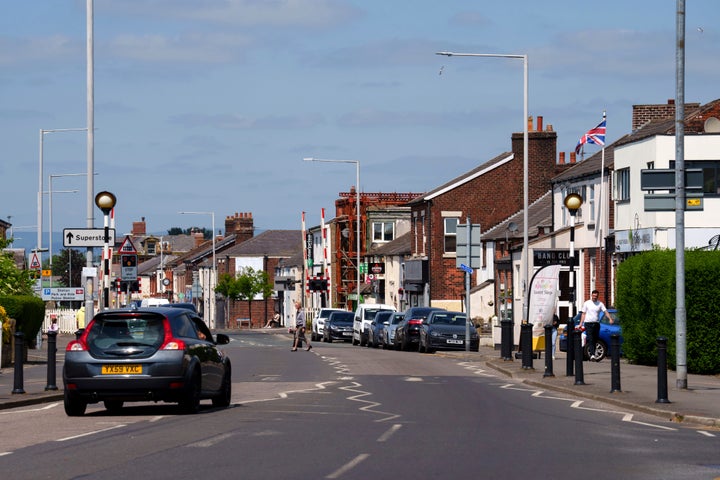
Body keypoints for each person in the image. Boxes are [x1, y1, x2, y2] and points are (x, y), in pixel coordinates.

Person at [579, 289, 614, 361]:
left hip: (596, 324)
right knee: (591, 339)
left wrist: (610, 318)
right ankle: (592, 355)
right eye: (593, 295)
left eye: (596, 296)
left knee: (595, 339)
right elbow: (583, 314)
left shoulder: (600, 304)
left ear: (598, 296)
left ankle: (593, 354)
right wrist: (581, 323)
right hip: (588, 323)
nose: (595, 297)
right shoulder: (587, 303)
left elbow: (605, 311)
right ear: (591, 295)